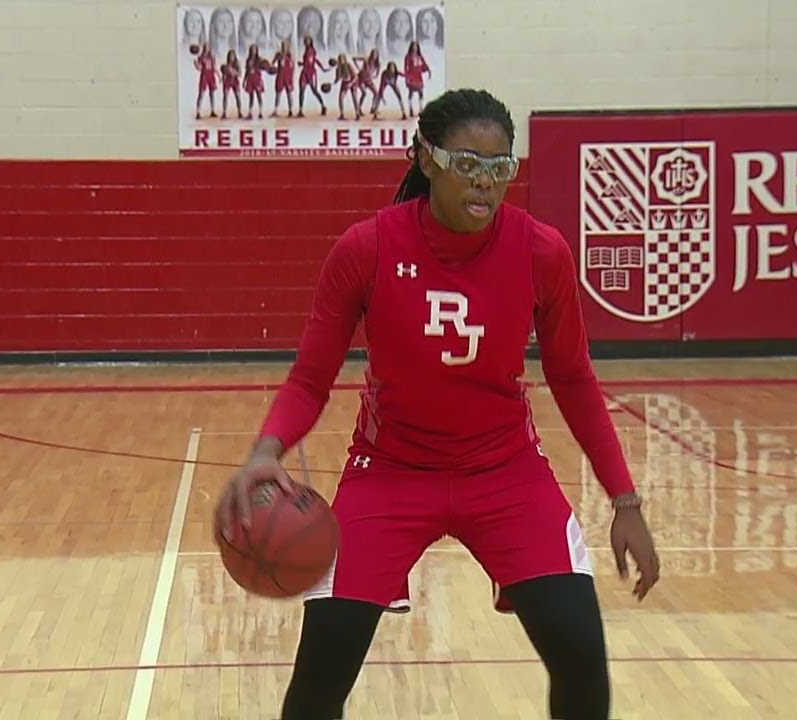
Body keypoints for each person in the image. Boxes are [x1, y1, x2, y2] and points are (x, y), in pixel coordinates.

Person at [215, 88, 661, 720]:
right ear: (426, 159)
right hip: (389, 474)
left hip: (506, 473)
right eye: (466, 163)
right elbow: (310, 380)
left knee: (581, 654)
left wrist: (626, 501)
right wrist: (266, 451)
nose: (484, 182)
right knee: (321, 675)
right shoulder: (366, 249)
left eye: (500, 167)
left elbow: (575, 380)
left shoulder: (541, 252)